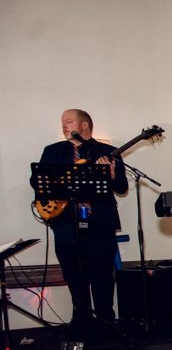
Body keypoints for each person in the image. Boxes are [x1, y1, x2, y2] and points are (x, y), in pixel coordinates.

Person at [38, 109, 127, 335]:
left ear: (85, 124)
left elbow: (122, 188)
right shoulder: (53, 151)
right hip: (66, 223)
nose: (64, 125)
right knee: (73, 273)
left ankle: (106, 318)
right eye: (62, 122)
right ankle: (81, 317)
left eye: (68, 121)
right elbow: (38, 181)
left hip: (100, 224)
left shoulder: (107, 152)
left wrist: (112, 174)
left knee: (103, 274)